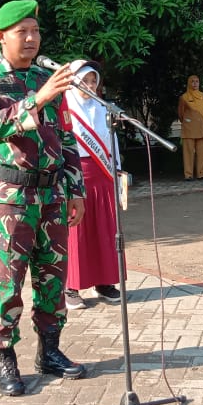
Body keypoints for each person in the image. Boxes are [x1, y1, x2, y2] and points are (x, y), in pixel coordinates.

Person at [0, 0, 88, 397]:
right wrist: (37, 99)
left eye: (36, 31)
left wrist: (76, 190)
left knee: (53, 277)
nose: (32, 38)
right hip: (11, 199)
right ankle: (5, 358)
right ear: (2, 37)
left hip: (53, 193)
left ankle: (50, 351)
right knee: (9, 282)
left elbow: (67, 137)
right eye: (23, 32)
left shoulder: (46, 77)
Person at [61, 61, 123, 310]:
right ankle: (70, 286)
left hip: (102, 175)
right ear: (73, 80)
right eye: (84, 80)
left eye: (93, 81)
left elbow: (112, 141)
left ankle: (105, 282)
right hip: (75, 175)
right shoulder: (63, 107)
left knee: (105, 228)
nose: (89, 85)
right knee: (76, 230)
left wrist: (117, 169)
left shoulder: (102, 107)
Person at [177, 75, 203, 181]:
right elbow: (181, 113)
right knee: (188, 152)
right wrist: (188, 121)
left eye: (197, 81)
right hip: (189, 128)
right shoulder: (184, 97)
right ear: (189, 83)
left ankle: (201, 174)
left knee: (201, 152)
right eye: (192, 81)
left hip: (200, 127)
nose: (195, 84)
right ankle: (188, 175)